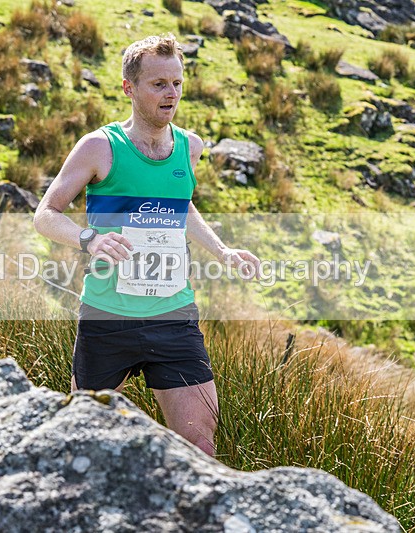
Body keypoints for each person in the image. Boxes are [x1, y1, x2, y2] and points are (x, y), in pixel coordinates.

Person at [33, 34, 260, 457]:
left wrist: (223, 251)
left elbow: (182, 207)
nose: (171, 93)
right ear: (129, 87)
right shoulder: (100, 147)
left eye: (177, 82)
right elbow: (45, 214)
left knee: (200, 445)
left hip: (173, 316)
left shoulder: (190, 147)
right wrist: (91, 239)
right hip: (107, 317)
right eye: (158, 84)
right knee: (85, 441)